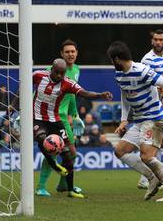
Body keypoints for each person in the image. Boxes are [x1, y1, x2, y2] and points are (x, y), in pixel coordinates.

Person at [108, 41, 163, 202]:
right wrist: (123, 120)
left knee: (146, 156)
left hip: (154, 118)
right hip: (140, 121)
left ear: (117, 59)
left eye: (112, 60)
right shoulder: (119, 75)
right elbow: (125, 96)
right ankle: (152, 177)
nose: (112, 63)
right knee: (120, 151)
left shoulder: (141, 70)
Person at [33, 58, 112, 198]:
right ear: (51, 69)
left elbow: (84, 93)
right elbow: (23, 88)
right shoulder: (38, 75)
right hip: (38, 118)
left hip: (56, 120)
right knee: (43, 140)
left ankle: (69, 188)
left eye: (62, 74)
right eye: (57, 73)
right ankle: (47, 178)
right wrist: (18, 108)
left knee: (69, 155)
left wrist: (100, 95)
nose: (59, 76)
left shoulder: (68, 82)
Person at [36, 39, 86, 196]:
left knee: (70, 153)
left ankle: (63, 185)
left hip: (64, 117)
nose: (70, 54)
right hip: (53, 117)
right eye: (67, 52)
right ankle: (41, 187)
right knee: (55, 150)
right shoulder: (52, 71)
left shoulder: (76, 69)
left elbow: (72, 95)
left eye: (73, 51)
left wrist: (75, 114)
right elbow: (40, 92)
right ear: (61, 54)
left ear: (77, 53)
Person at [138, 29, 163, 189]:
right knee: (152, 142)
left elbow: (162, 83)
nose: (158, 42)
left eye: (161, 40)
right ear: (152, 41)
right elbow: (145, 84)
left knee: (161, 142)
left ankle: (147, 178)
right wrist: (159, 100)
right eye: (156, 39)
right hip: (151, 107)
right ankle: (147, 178)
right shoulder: (147, 59)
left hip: (160, 105)